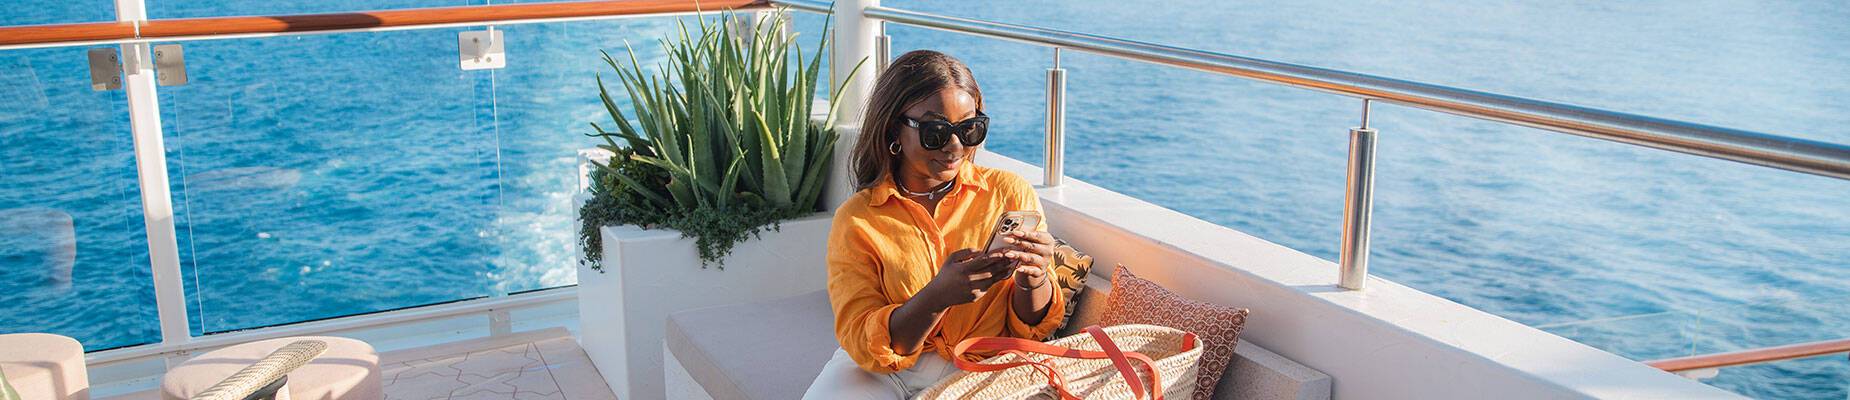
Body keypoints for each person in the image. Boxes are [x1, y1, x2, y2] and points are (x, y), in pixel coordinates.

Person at [802, 50, 1064, 399]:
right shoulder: (859, 219)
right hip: (883, 371)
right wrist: (936, 298)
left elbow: (1031, 331)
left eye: (970, 129)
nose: (955, 146)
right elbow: (862, 338)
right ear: (895, 127)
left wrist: (1034, 278)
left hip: (982, 369)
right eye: (935, 131)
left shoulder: (1007, 192)